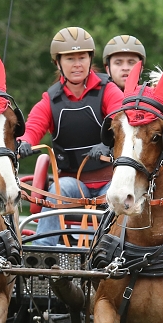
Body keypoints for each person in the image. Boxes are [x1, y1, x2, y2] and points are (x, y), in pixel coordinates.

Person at [18, 26, 124, 246]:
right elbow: (33, 126)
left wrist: (109, 143)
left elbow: (121, 118)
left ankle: (117, 252)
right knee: (58, 189)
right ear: (58, 63)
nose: (77, 64)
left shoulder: (109, 90)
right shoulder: (51, 99)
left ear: (89, 59)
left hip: (110, 179)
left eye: (82, 57)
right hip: (74, 183)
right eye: (70, 58)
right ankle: (42, 253)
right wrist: (25, 142)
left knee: (123, 192)